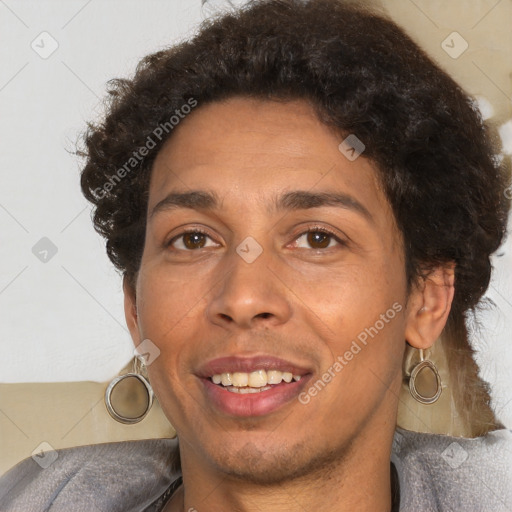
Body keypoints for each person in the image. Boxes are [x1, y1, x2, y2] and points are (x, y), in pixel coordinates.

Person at [1, 0, 511, 510]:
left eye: (317, 238)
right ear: (135, 305)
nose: (243, 298)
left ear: (426, 299)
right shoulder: (39, 495)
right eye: (193, 239)